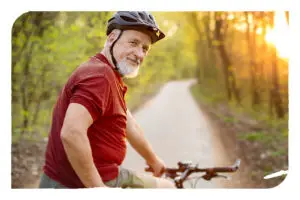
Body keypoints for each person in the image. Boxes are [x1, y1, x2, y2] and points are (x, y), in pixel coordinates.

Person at [39, 11, 175, 189]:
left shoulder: (108, 75)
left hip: (101, 175)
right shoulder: (100, 76)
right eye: (133, 43)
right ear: (112, 38)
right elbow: (72, 133)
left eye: (145, 48)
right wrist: (98, 189)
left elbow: (129, 124)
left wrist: (153, 160)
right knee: (169, 188)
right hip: (78, 184)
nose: (139, 54)